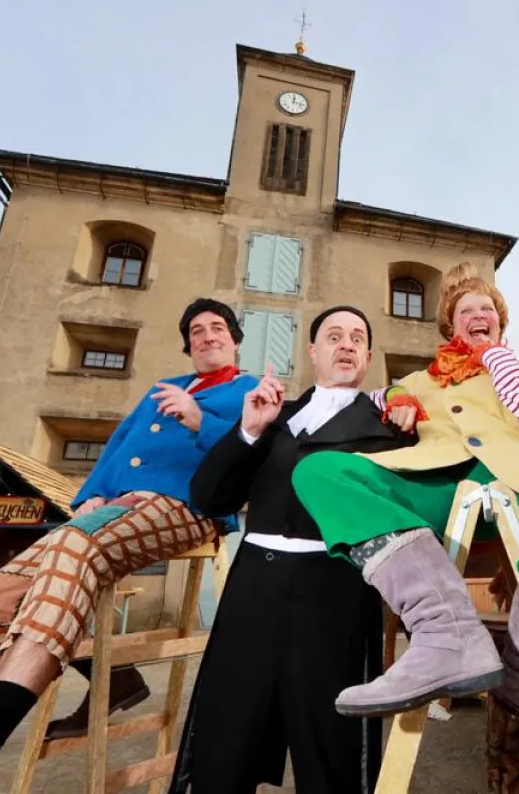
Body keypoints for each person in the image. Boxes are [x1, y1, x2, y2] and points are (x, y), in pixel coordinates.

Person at [0, 298, 258, 794]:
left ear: (234, 339)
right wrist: (91, 492)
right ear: (188, 343)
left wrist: (199, 420)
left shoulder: (247, 391)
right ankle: (112, 677)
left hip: (186, 507)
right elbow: (117, 444)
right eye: (197, 330)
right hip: (112, 508)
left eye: (217, 328)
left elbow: (254, 454)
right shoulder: (165, 387)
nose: (207, 336)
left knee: (76, 546)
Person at [290, 262, 519, 766]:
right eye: (466, 311)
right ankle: (442, 634)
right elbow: (371, 400)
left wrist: (502, 367)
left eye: (487, 310)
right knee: (319, 472)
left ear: (499, 321)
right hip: (439, 481)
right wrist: (397, 398)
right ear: (451, 326)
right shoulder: (419, 378)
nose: (478, 315)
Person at [168, 305, 416, 794]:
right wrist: (248, 432)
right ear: (313, 351)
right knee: (228, 727)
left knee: (329, 735)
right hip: (253, 589)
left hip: (334, 590)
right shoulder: (275, 414)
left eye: (356, 338)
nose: (345, 344)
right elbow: (210, 496)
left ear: (367, 356)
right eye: (333, 336)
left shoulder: (390, 427)